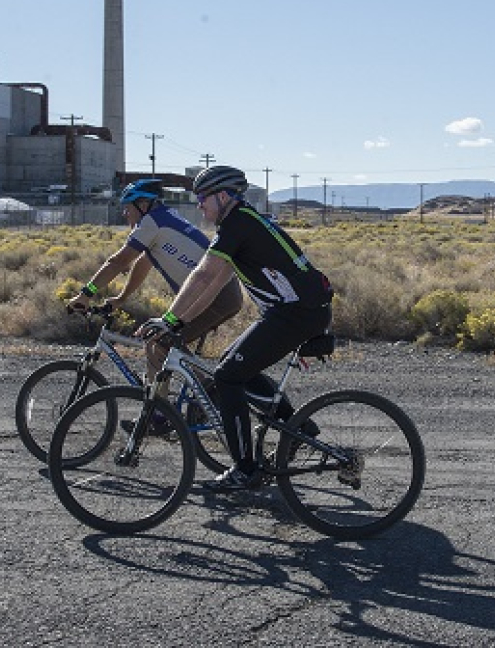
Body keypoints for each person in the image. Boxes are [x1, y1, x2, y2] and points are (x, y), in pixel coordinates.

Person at [138, 165, 333, 492]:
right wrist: (178, 322)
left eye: (202, 197)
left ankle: (245, 469)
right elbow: (212, 286)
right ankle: (299, 427)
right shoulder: (241, 223)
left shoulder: (238, 224)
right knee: (232, 364)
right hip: (295, 311)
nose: (199, 204)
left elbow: (201, 274)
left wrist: (169, 320)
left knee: (228, 376)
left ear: (223, 196)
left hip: (297, 312)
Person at [69, 179, 243, 389]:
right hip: (220, 293)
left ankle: (204, 394)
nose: (125, 214)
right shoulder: (165, 218)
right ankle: (159, 408)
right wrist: (122, 298)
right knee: (159, 342)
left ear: (142, 206)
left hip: (215, 296)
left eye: (127, 208)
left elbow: (118, 261)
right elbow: (143, 263)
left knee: (159, 342)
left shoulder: (151, 222)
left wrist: (86, 294)